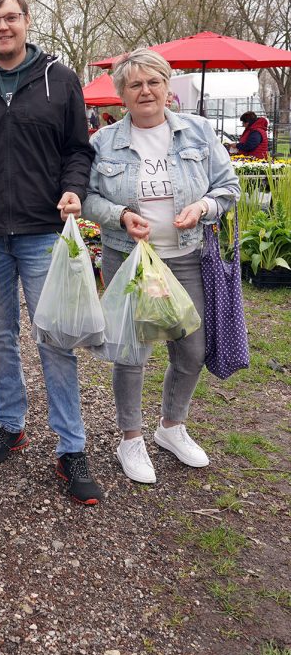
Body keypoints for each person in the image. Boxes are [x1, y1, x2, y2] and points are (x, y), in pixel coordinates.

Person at [0, 0, 103, 506]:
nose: (3, 27)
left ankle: (71, 446)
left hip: (42, 232)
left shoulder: (60, 79)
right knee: (0, 335)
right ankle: (11, 425)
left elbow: (78, 149)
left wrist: (73, 188)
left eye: (11, 17)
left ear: (27, 21)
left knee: (54, 336)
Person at [82, 47, 240, 484]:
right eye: (135, 84)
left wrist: (203, 207)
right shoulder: (103, 142)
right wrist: (120, 215)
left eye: (154, 82)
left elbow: (228, 188)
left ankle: (171, 426)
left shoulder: (198, 132)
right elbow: (88, 197)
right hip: (128, 259)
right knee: (131, 352)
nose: (146, 90)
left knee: (191, 349)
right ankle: (130, 438)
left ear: (167, 87)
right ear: (122, 94)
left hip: (185, 257)